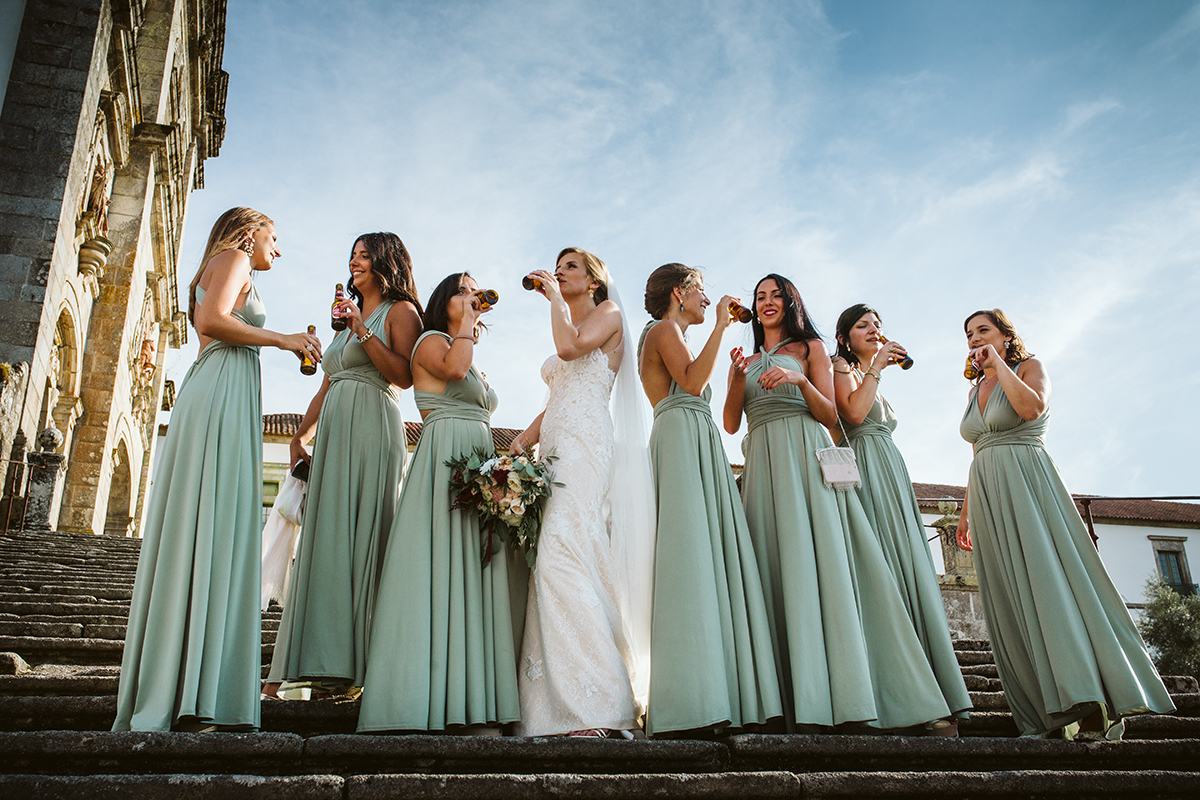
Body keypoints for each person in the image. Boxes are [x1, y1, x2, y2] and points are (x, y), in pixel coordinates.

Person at [114, 207, 322, 732]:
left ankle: (197, 681)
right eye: (274, 236)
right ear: (250, 232)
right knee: (208, 524)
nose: (278, 248)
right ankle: (193, 685)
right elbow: (211, 320)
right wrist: (283, 339)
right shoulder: (233, 257)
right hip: (220, 390)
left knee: (213, 528)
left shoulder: (231, 264)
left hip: (226, 387)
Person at [723, 275, 953, 734]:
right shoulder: (743, 361)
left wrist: (797, 379)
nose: (767, 303)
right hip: (763, 466)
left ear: (791, 303)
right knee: (775, 569)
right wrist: (736, 378)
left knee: (823, 570)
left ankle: (856, 694)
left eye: (776, 295)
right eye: (760, 297)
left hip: (805, 459)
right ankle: (790, 699)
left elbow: (830, 415)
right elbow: (731, 424)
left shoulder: (811, 348)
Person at [957, 309, 1173, 739]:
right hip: (988, 494)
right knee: (1011, 598)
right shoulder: (974, 389)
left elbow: (1031, 407)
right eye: (968, 334)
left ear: (1005, 336)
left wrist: (999, 365)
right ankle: (1047, 711)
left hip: (1028, 484)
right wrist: (966, 511)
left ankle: (1090, 700)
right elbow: (978, 449)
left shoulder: (1029, 368)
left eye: (983, 330)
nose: (974, 339)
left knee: (1050, 586)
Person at [358, 272, 525, 732]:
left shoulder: (464, 348)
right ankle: (421, 696)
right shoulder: (431, 341)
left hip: (477, 459)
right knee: (441, 568)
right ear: (444, 300)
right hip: (446, 461)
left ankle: (475, 700)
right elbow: (452, 371)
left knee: (475, 572)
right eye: (463, 290)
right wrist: (468, 323)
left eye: (476, 290)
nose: (473, 296)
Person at [511, 247, 653, 738]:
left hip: (585, 445)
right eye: (558, 266)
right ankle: (554, 708)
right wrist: (526, 438)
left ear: (594, 280)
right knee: (561, 554)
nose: (559, 271)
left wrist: (553, 298)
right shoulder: (569, 322)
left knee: (560, 553)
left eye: (570, 266)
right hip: (555, 443)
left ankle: (599, 705)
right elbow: (560, 392)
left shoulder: (606, 312)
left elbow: (571, 350)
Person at [273, 233, 423, 694]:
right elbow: (328, 384)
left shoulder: (400, 312)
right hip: (335, 432)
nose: (354, 262)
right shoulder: (343, 320)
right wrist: (300, 437)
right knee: (328, 539)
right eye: (352, 255)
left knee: (362, 536)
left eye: (364, 255)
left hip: (373, 427)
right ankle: (323, 660)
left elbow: (404, 376)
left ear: (384, 261)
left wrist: (362, 329)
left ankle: (358, 667)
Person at [639, 263, 781, 738]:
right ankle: (692, 698)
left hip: (696, 438)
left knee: (711, 558)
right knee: (690, 561)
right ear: (679, 292)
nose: (707, 298)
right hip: (680, 439)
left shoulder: (674, 335)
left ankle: (723, 691)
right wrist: (720, 324)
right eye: (701, 290)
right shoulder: (663, 330)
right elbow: (693, 382)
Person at [832, 303, 971, 731]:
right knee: (883, 571)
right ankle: (902, 692)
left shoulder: (867, 372)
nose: (874, 330)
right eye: (863, 325)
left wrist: (875, 369)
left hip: (891, 471)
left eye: (877, 325)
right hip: (864, 469)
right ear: (845, 337)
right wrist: (876, 367)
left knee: (909, 571)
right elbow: (853, 415)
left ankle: (932, 686)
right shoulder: (840, 366)